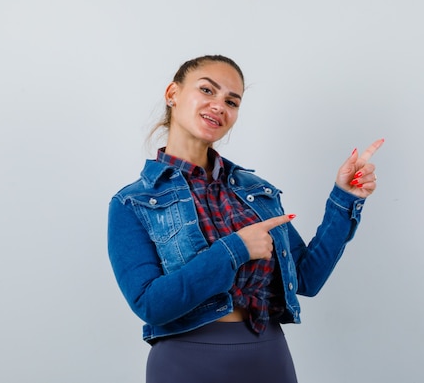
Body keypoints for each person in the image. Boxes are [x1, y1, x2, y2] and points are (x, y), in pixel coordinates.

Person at [107, 54, 384, 383]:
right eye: (207, 90)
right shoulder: (132, 202)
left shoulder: (256, 192)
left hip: (268, 357)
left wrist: (344, 198)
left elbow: (307, 279)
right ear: (173, 94)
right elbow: (150, 304)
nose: (219, 106)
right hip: (185, 364)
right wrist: (235, 249)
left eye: (231, 100)